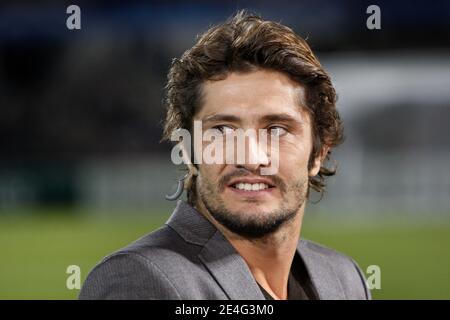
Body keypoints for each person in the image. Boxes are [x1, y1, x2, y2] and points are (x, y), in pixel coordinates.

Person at [79, 11, 371, 300]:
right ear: (186, 149)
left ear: (319, 152)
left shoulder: (345, 278)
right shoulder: (139, 280)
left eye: (277, 129)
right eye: (222, 130)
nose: (251, 157)